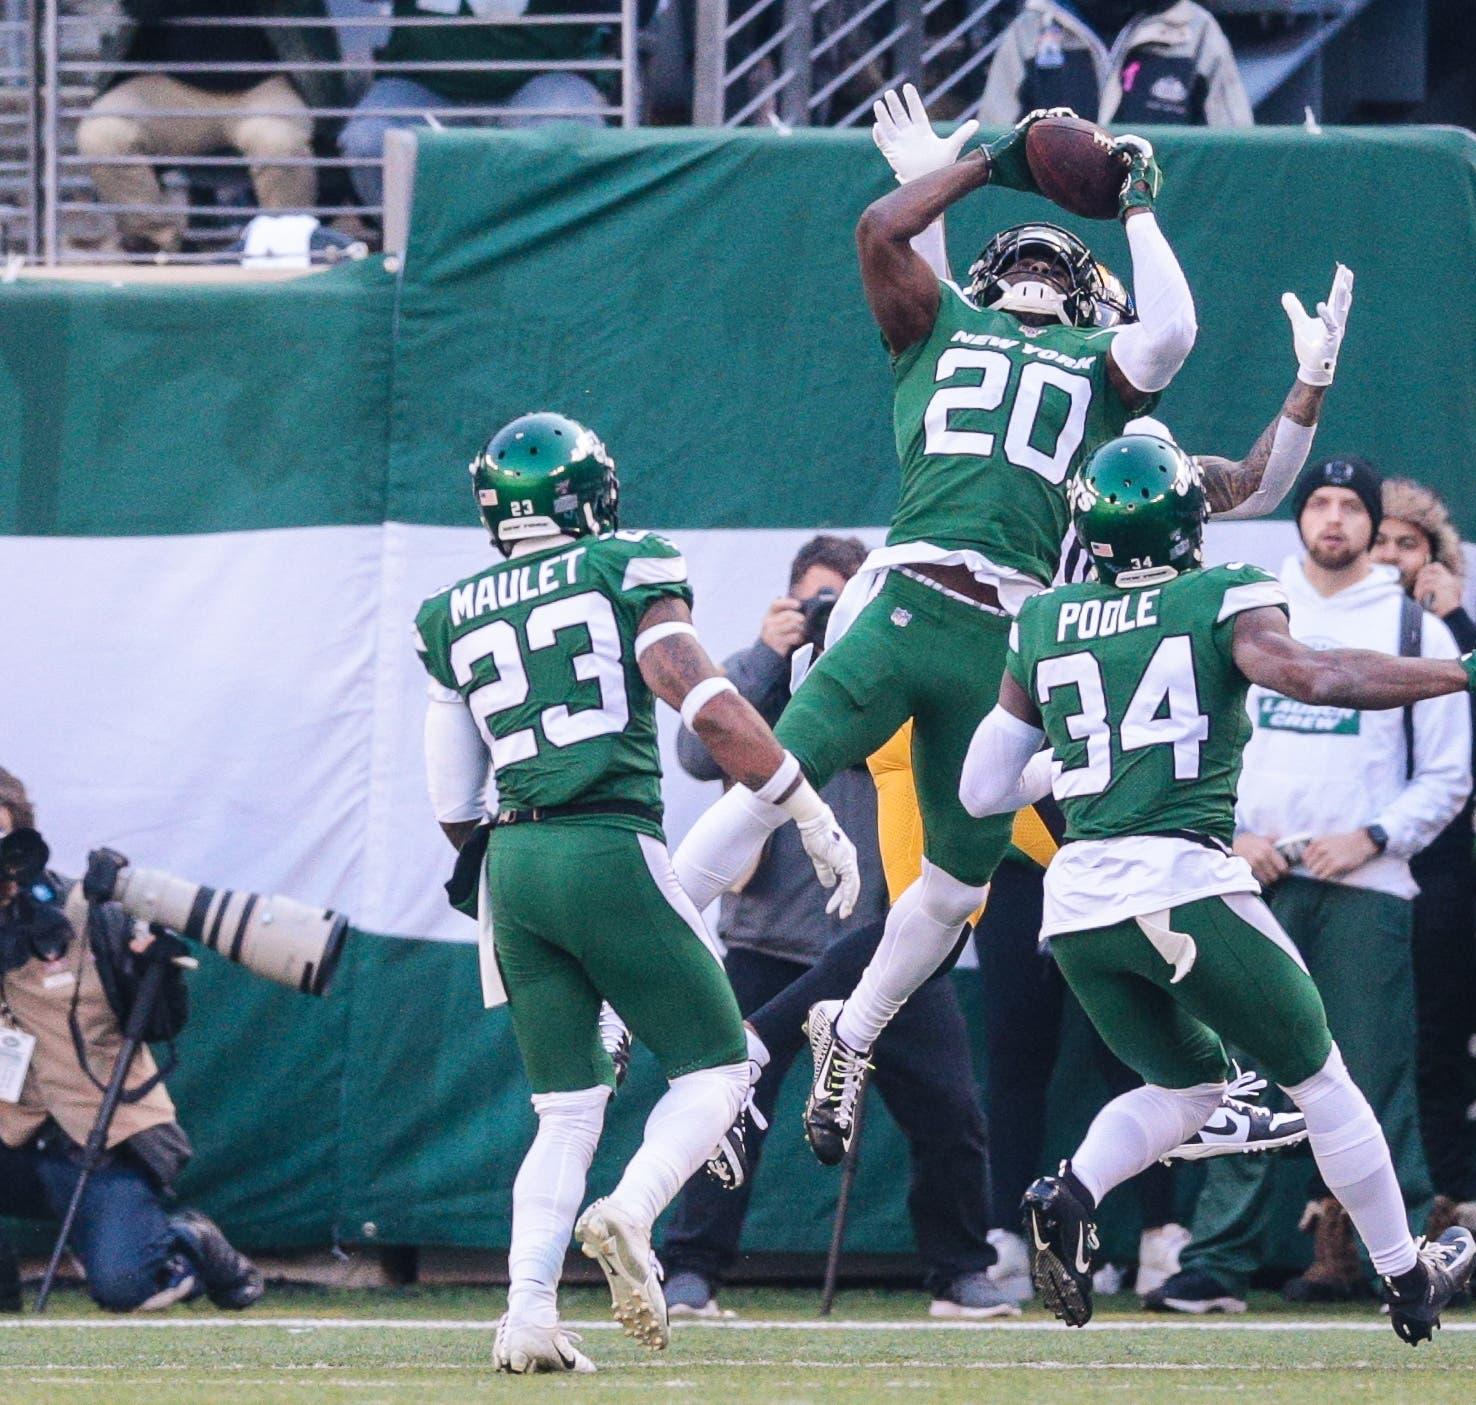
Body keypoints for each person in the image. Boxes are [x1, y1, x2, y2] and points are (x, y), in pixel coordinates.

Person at [672, 103, 1197, 1173]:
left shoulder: (1097, 368)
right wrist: (980, 166)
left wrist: (1138, 208)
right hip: (910, 594)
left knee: (959, 888)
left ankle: (851, 1034)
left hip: (1004, 643)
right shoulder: (942, 324)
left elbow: (1173, 335)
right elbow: (881, 231)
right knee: (768, 790)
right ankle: (644, 996)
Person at [955, 433, 1476, 1342]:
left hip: (1075, 904)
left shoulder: (1042, 618)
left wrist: (1074, 763)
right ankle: (1405, 1276)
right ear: (1185, 520)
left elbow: (980, 792)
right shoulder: (1219, 594)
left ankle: (1070, 1189)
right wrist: (1459, 671)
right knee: (1320, 1075)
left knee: (1192, 1089)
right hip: (1178, 878)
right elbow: (1318, 673)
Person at [414, 412, 861, 1373]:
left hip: (512, 861)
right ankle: (635, 1206)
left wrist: (509, 889)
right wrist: (801, 801)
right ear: (589, 494)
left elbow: (451, 800)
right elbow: (696, 693)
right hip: (605, 838)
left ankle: (526, 1313)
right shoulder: (625, 564)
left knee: (564, 1110)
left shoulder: (450, 610)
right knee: (722, 1066)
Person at [659, 535, 1017, 1321]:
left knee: (952, 1113)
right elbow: (694, 749)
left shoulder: (898, 670)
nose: (832, 613)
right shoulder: (762, 678)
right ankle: (690, 1269)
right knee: (725, 1100)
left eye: (845, 599)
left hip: (879, 946)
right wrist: (764, 653)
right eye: (817, 599)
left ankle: (960, 1270)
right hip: (765, 938)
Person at [1148, 455, 1468, 1314]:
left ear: (1374, 522)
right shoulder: (1246, 609)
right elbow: (1188, 737)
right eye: (1318, 502)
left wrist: (1368, 836)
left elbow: (1447, 775)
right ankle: (1215, 1263)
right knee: (1244, 1074)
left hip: (1368, 884)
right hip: (1245, 874)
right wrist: (1233, 834)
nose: (1332, 518)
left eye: (1349, 506)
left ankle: (1401, 1264)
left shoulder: (1413, 629)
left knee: (1371, 1072)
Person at [0, 774, 262, 1315]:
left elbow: (163, 1023)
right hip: (14, 1135)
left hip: (101, 1138)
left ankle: (192, 1243)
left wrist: (150, 968)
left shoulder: (86, 912)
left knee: (127, 1286)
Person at [1373, 473, 1476, 1237]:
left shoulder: (1446, 629)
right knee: (1349, 1049)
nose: (1389, 554)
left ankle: (1447, 1208)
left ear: (1433, 556)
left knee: (1437, 1041)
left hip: (1437, 860)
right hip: (1346, 858)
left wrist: (1457, 620)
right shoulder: (1323, 621)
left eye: (1405, 543)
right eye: (1379, 539)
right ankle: (1337, 1224)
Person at [76, 0, 343, 255]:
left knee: (279, 141)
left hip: (266, 84)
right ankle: (161, 249)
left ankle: (287, 251)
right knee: (103, 133)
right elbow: (136, 7)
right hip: (170, 86)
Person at [341, 0, 618, 208]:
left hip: (546, 77)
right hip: (422, 82)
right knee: (369, 141)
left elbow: (632, 12)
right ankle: (427, 251)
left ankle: (531, 250)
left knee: (562, 138)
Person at [979, 0, 1251, 128]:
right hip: (1052, 230)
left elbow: (1234, 161)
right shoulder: (1031, 29)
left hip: (1164, 229)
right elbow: (993, 150)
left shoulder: (1197, 32)